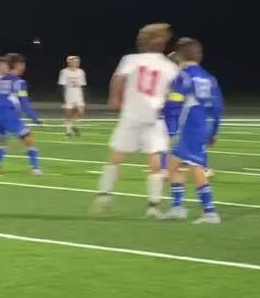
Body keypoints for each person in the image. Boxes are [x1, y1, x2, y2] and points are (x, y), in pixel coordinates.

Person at [92, 23, 179, 217]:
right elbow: (174, 92)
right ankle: (152, 206)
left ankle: (105, 196)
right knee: (154, 164)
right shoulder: (168, 66)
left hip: (133, 115)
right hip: (152, 117)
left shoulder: (131, 60)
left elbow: (118, 79)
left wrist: (114, 98)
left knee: (117, 158)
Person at [163, 38, 224, 224]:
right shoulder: (209, 78)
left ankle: (210, 212)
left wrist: (170, 130)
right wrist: (213, 131)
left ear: (180, 55)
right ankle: (177, 207)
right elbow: (217, 107)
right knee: (173, 165)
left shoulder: (183, 77)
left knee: (195, 167)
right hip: (202, 126)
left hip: (188, 128)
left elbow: (174, 104)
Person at [0, 54, 43, 175]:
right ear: (18, 65)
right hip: (9, 115)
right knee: (29, 140)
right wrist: (34, 118)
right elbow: (24, 102)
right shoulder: (19, 82)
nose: (24, 67)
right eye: (23, 64)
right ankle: (36, 168)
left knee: (2, 142)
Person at [57, 55, 88, 137]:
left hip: (78, 94)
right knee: (69, 114)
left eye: (78, 62)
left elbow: (83, 85)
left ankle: (74, 125)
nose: (76, 63)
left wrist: (84, 97)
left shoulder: (81, 72)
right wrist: (62, 99)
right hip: (69, 94)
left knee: (80, 111)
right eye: (74, 61)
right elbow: (60, 86)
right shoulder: (64, 72)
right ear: (69, 62)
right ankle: (68, 131)